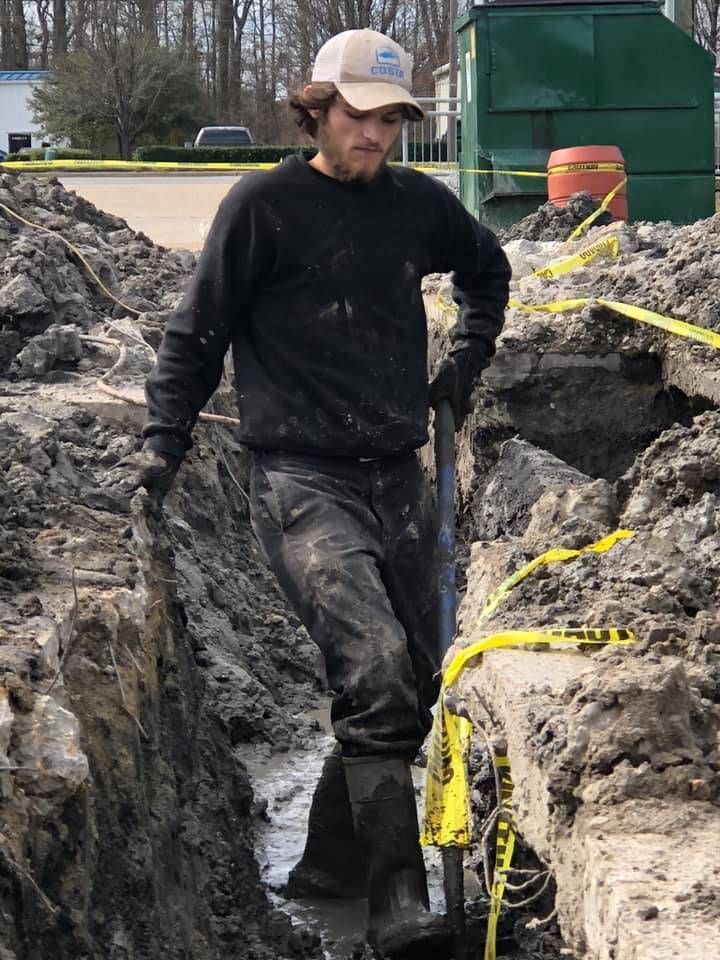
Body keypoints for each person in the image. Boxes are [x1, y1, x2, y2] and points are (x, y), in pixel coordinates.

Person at [137, 28, 510, 959]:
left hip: (397, 472)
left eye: (391, 120)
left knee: (412, 682)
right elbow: (194, 336)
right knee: (376, 666)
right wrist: (162, 444)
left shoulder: (417, 206)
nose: (376, 135)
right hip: (301, 479)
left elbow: (487, 269)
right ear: (318, 109)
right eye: (359, 116)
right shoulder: (264, 206)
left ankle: (326, 873)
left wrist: (464, 361)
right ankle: (398, 910)